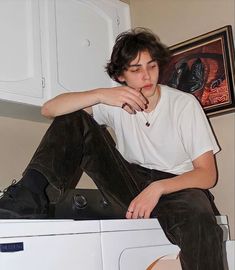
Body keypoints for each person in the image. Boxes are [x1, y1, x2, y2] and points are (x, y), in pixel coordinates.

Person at [0, 28, 225, 270]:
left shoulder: (183, 104)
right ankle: (28, 197)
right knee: (72, 117)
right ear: (120, 76)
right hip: (129, 180)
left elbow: (207, 174)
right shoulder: (115, 100)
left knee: (200, 217)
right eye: (136, 69)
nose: (147, 76)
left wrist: (157, 188)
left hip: (178, 187)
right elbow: (49, 110)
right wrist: (100, 95)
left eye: (152, 66)